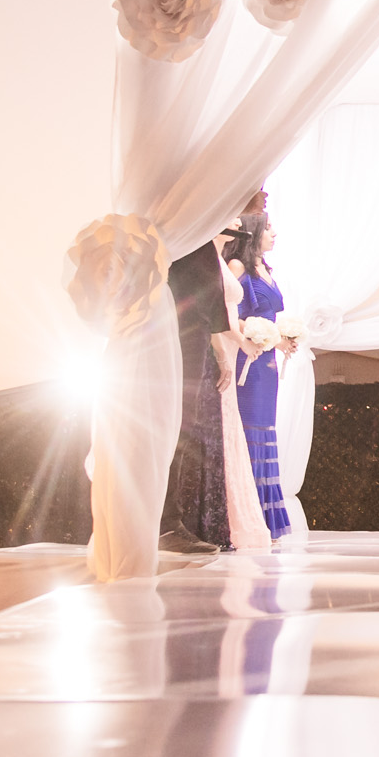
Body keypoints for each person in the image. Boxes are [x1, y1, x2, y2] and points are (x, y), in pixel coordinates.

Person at [159, 218, 235, 554]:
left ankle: (165, 522)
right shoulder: (192, 209)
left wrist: (217, 348)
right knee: (172, 424)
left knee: (180, 425)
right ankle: (163, 525)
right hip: (175, 317)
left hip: (193, 323)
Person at [221, 203, 295, 543]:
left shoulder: (264, 267)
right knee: (250, 430)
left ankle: (267, 515)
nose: (274, 234)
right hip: (247, 361)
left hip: (267, 364)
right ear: (253, 233)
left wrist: (280, 339)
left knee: (266, 429)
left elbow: (268, 316)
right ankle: (248, 512)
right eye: (268, 228)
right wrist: (254, 336)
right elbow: (226, 312)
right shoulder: (238, 267)